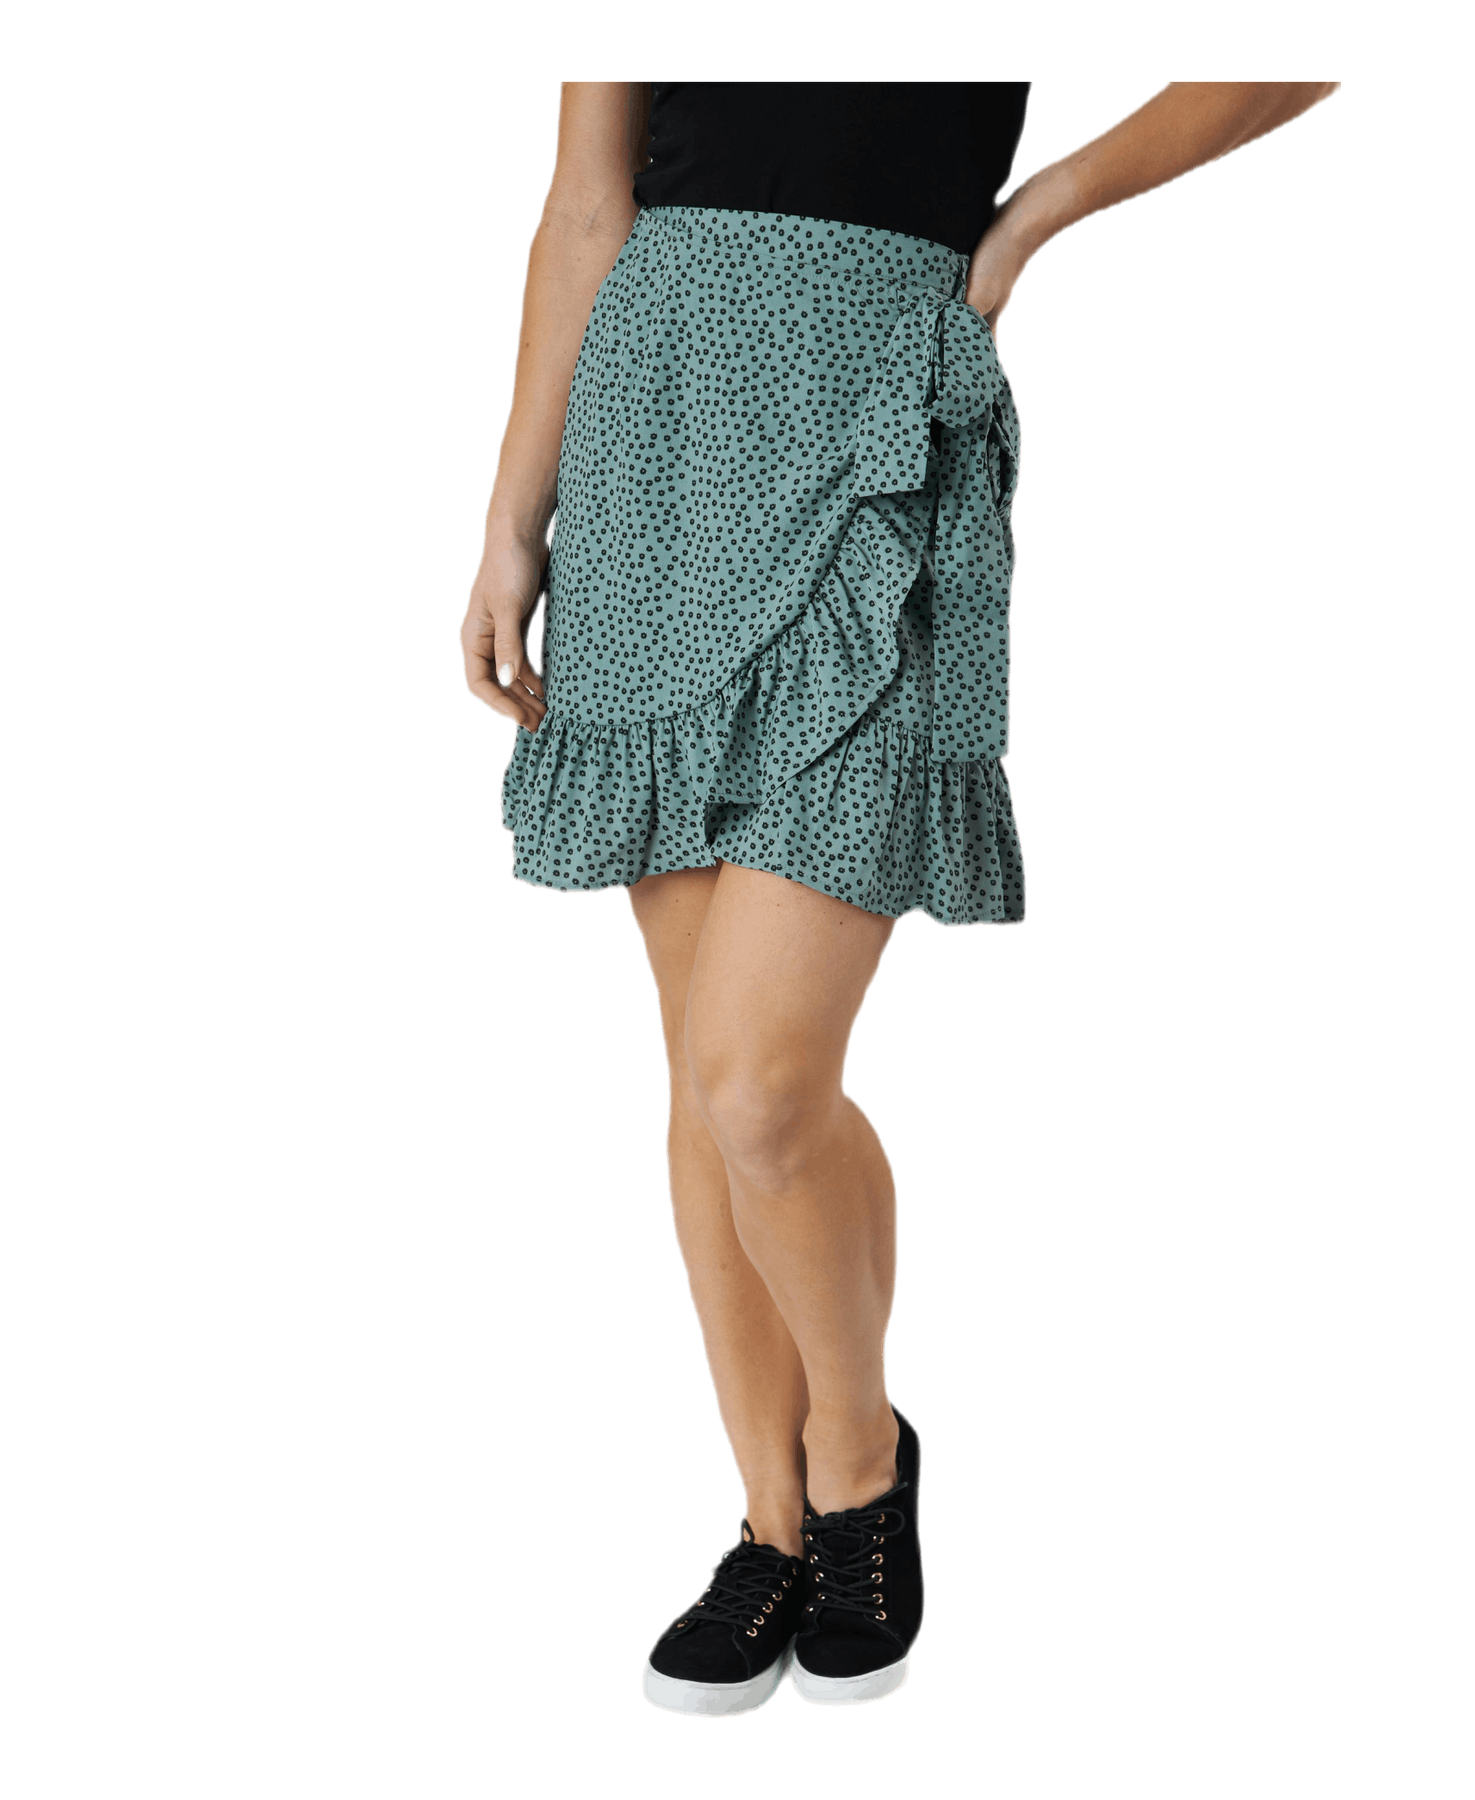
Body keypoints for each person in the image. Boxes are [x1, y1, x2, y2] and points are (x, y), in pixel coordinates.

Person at [457, 77, 1344, 1719]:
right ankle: (767, 1523)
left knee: (760, 1077)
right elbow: (585, 200)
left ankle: (861, 1467)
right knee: (696, 1072)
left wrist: (1041, 207)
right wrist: (512, 523)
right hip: (651, 439)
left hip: (877, 413)